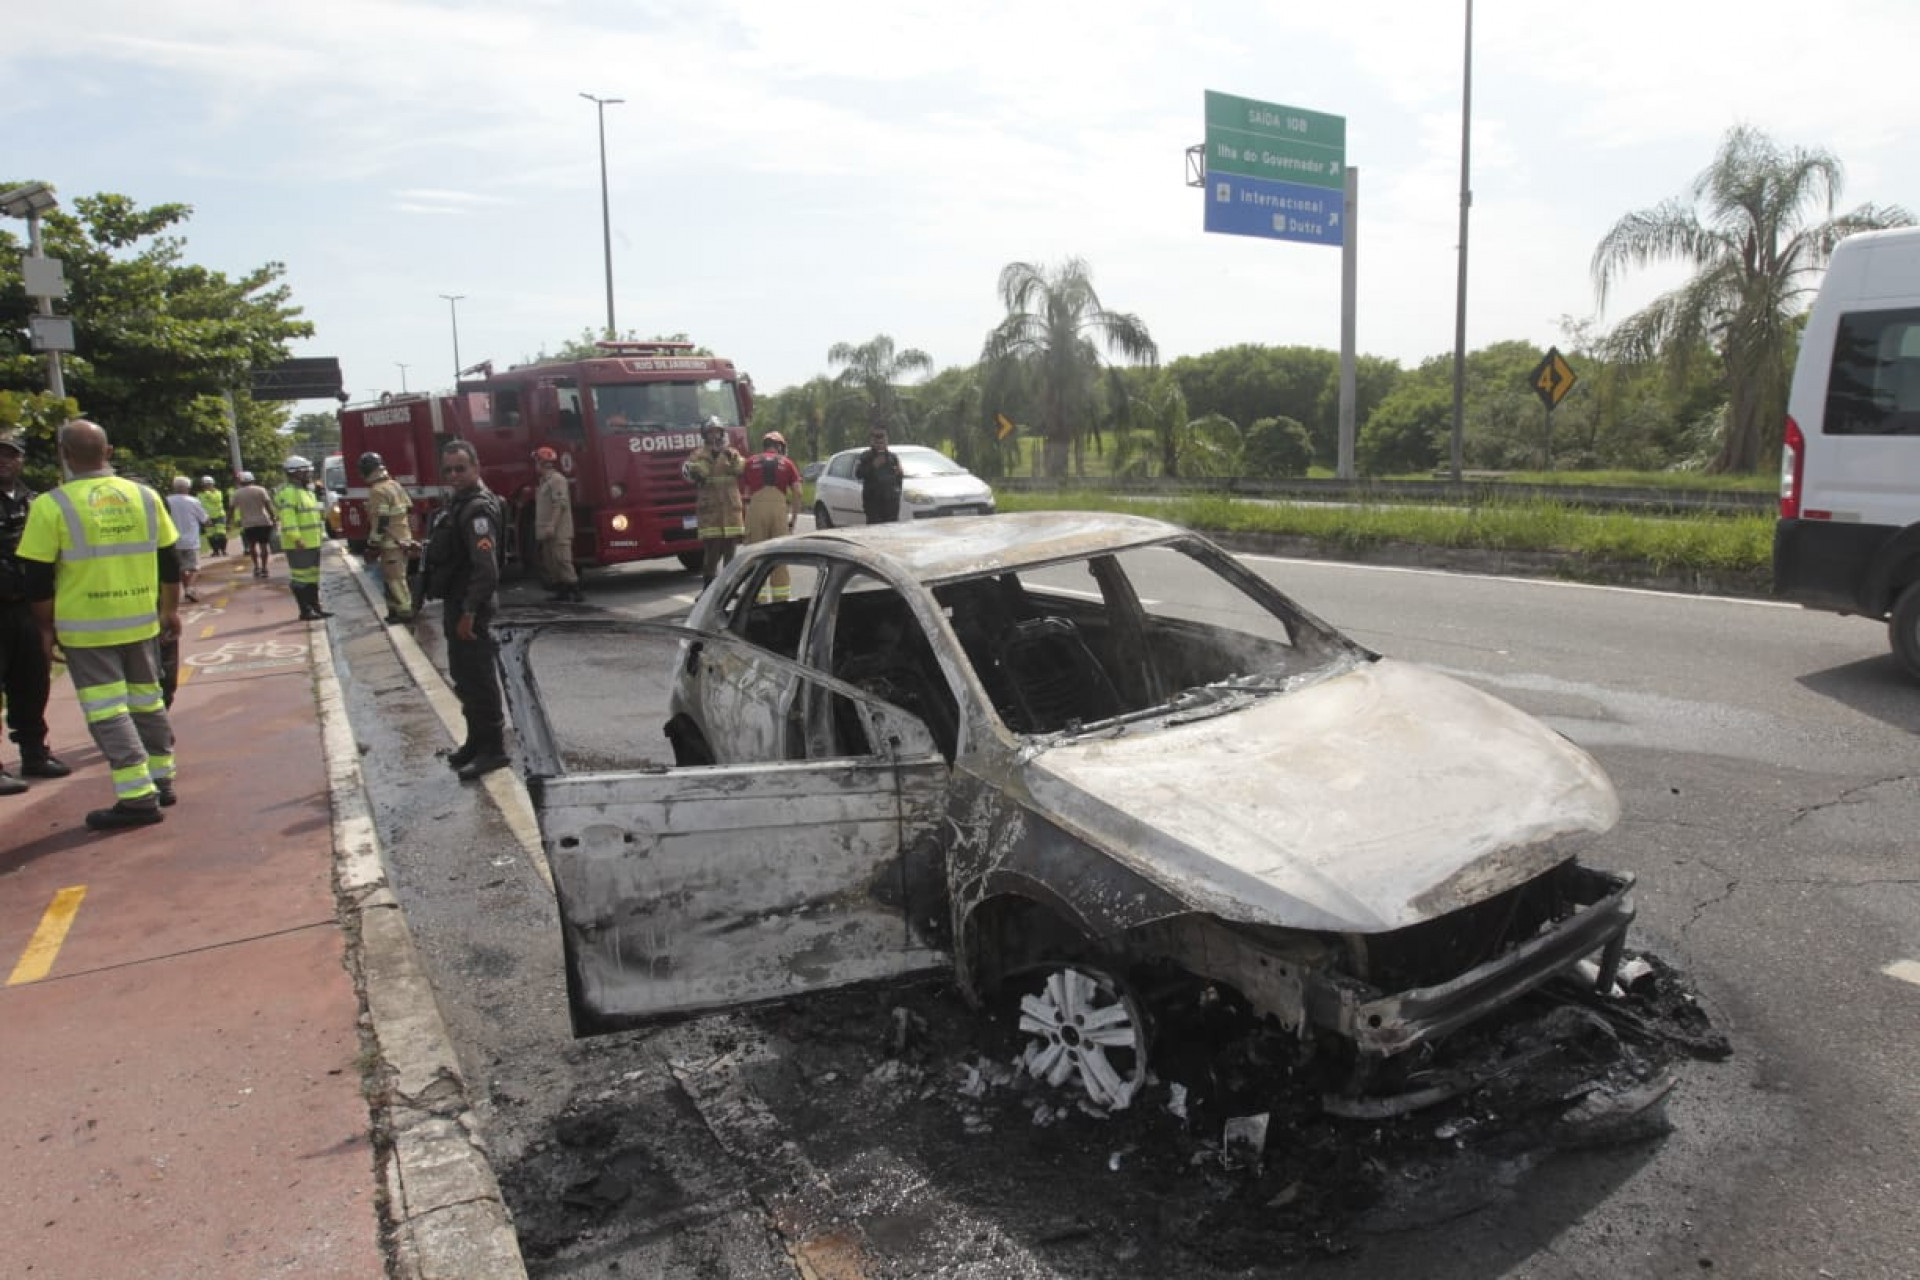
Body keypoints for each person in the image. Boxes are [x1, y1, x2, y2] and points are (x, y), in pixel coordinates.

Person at [15, 419, 180, 831]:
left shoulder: (51, 505)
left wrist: (45, 629)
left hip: (87, 630)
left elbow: (35, 577)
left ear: (64, 456)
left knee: (108, 711)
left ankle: (137, 797)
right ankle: (162, 779)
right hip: (141, 621)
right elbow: (169, 560)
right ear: (108, 452)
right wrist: (170, 610)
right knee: (148, 701)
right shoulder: (144, 496)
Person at [421, 439, 509, 781]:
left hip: (472, 607)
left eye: (461, 468)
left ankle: (493, 750)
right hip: (457, 604)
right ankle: (475, 742)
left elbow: (485, 568)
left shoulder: (478, 509)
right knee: (464, 678)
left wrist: (470, 611)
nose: (455, 475)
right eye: (449, 470)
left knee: (479, 678)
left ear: (476, 468)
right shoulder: (456, 505)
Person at [0, 429, 72, 794]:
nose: (4, 461)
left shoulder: (34, 502)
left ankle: (34, 753)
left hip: (27, 607)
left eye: (10, 454)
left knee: (32, 683)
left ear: (21, 459)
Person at [739, 430, 803, 601]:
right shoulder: (787, 463)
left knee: (756, 556)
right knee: (779, 557)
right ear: (780, 447)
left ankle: (757, 600)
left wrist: (746, 521)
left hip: (756, 511)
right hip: (779, 512)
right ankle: (781, 600)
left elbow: (745, 495)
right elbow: (798, 492)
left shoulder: (750, 462)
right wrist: (793, 519)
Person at [682, 416, 744, 589]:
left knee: (731, 554)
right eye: (711, 432)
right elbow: (700, 472)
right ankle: (708, 589)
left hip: (731, 512)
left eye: (718, 432)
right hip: (711, 513)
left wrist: (730, 456)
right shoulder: (698, 455)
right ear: (705, 435)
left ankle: (729, 589)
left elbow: (740, 468)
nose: (715, 436)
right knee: (712, 554)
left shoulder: (731, 453)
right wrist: (712, 456)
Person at [359, 452, 416, 624]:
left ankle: (405, 612)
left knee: (395, 580)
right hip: (403, 538)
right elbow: (409, 507)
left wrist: (372, 544)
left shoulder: (377, 491)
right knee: (394, 578)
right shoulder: (395, 485)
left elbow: (381, 521)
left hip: (390, 543)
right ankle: (394, 611)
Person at [274, 456, 330, 621]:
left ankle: (315, 608)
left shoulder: (307, 492)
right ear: (296, 473)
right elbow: (288, 519)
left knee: (312, 577)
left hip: (313, 542)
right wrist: (297, 538)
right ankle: (305, 610)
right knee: (301, 578)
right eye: (306, 471)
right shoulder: (289, 493)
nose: (309, 474)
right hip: (299, 544)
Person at [532, 446, 583, 603]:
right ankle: (562, 591)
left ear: (542, 463)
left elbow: (560, 504)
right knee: (551, 561)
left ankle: (575, 591)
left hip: (558, 530)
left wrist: (552, 525)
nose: (535, 466)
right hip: (546, 531)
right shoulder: (543, 482)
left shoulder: (557, 480)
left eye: (537, 462)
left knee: (562, 559)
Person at [165, 476, 209, 604]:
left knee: (181, 568)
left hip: (172, 540)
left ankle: (188, 590)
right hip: (191, 540)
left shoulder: (167, 501)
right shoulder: (193, 501)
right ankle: (189, 588)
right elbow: (205, 519)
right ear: (188, 488)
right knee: (194, 568)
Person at [230, 469, 277, 579]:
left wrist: (229, 522)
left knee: (252, 546)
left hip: (248, 523)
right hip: (263, 521)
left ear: (241, 481)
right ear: (252, 480)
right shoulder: (261, 490)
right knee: (264, 546)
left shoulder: (237, 493)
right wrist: (273, 518)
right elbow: (268, 505)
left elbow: (231, 509)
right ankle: (264, 568)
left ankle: (256, 567)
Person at [854, 427, 905, 524]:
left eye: (882, 442)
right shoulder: (865, 457)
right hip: (873, 502)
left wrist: (900, 473)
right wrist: (873, 466)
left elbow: (898, 480)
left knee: (891, 529)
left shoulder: (892, 457)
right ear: (872, 442)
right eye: (877, 443)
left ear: (886, 442)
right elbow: (858, 474)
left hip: (891, 502)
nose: (880, 445)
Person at [197, 475, 228, 556]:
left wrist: (208, 493)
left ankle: (223, 550)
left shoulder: (218, 492)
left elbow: (216, 500)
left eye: (209, 485)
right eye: (205, 485)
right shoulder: (200, 495)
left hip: (219, 516)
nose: (207, 487)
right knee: (211, 536)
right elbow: (199, 506)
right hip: (207, 518)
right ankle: (215, 551)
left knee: (221, 534)